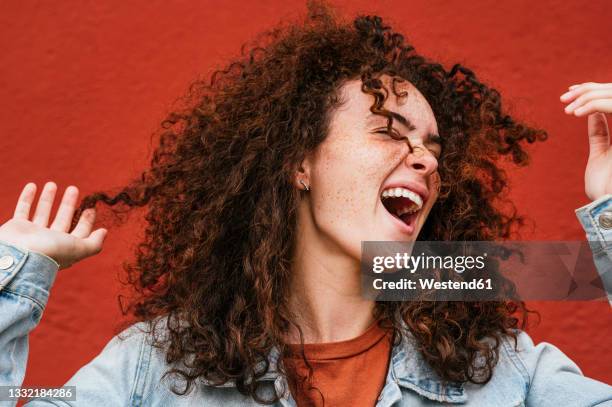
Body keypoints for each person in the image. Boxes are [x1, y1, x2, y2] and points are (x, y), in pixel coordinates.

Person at [0, 3, 611, 406]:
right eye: (389, 131)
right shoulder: (153, 368)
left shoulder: (505, 374)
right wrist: (15, 273)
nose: (426, 160)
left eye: (431, 147)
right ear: (299, 162)